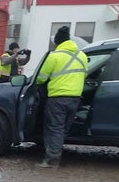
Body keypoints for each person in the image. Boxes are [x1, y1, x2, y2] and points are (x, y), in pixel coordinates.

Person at [34, 25, 88, 168]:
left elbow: (41, 78)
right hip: (76, 98)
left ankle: (52, 160)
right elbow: (85, 74)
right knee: (63, 129)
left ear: (57, 42)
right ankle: (54, 151)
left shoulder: (54, 56)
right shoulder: (82, 56)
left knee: (55, 128)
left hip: (57, 98)